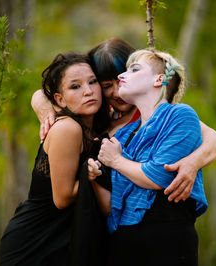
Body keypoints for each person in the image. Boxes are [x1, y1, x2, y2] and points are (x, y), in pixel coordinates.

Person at [31, 38, 216, 203]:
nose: (117, 92)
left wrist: (191, 163)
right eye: (106, 85)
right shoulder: (98, 117)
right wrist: (43, 105)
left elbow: (214, 139)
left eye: (122, 79)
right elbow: (44, 94)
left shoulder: (152, 114)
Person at [88, 49, 207, 266]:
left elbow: (158, 175)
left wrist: (116, 161)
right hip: (123, 245)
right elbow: (111, 205)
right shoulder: (124, 134)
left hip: (168, 243)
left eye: (134, 69)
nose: (122, 76)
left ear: (158, 79)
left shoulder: (180, 115)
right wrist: (91, 174)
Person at [0, 52, 110, 266]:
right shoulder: (68, 129)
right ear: (59, 99)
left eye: (93, 82)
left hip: (63, 240)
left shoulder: (93, 128)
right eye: (75, 87)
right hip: (35, 242)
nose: (88, 91)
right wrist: (92, 177)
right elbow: (62, 198)